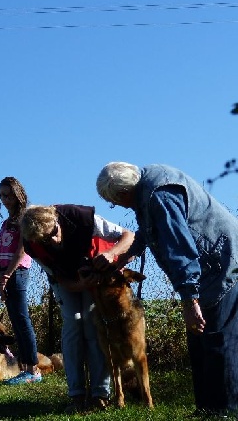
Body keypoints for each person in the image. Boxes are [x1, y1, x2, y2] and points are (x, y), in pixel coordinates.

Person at [95, 162, 238, 417]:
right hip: (208, 261)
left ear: (122, 193)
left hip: (219, 261)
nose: (118, 206)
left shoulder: (158, 196)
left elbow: (179, 248)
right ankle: (206, 408)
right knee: (198, 340)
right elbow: (147, 233)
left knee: (215, 337)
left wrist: (189, 300)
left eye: (115, 202)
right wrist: (122, 255)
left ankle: (222, 410)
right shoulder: (145, 184)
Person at [20, 204, 134, 413]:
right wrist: (81, 285)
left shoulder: (81, 217)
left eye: (53, 232)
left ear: (56, 220)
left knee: (92, 324)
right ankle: (77, 394)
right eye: (46, 240)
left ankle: (100, 393)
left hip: (95, 271)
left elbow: (128, 236)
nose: (53, 240)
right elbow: (61, 279)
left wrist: (111, 253)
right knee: (73, 321)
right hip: (68, 279)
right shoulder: (31, 243)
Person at [0, 177, 41, 385]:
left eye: (9, 195)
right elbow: (0, 250)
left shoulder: (25, 218)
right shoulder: (6, 223)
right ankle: (23, 368)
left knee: (22, 320)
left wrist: (8, 273)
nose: (5, 199)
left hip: (18, 272)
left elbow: (21, 250)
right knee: (14, 319)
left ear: (18, 194)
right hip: (4, 272)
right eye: (2, 195)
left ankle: (33, 369)